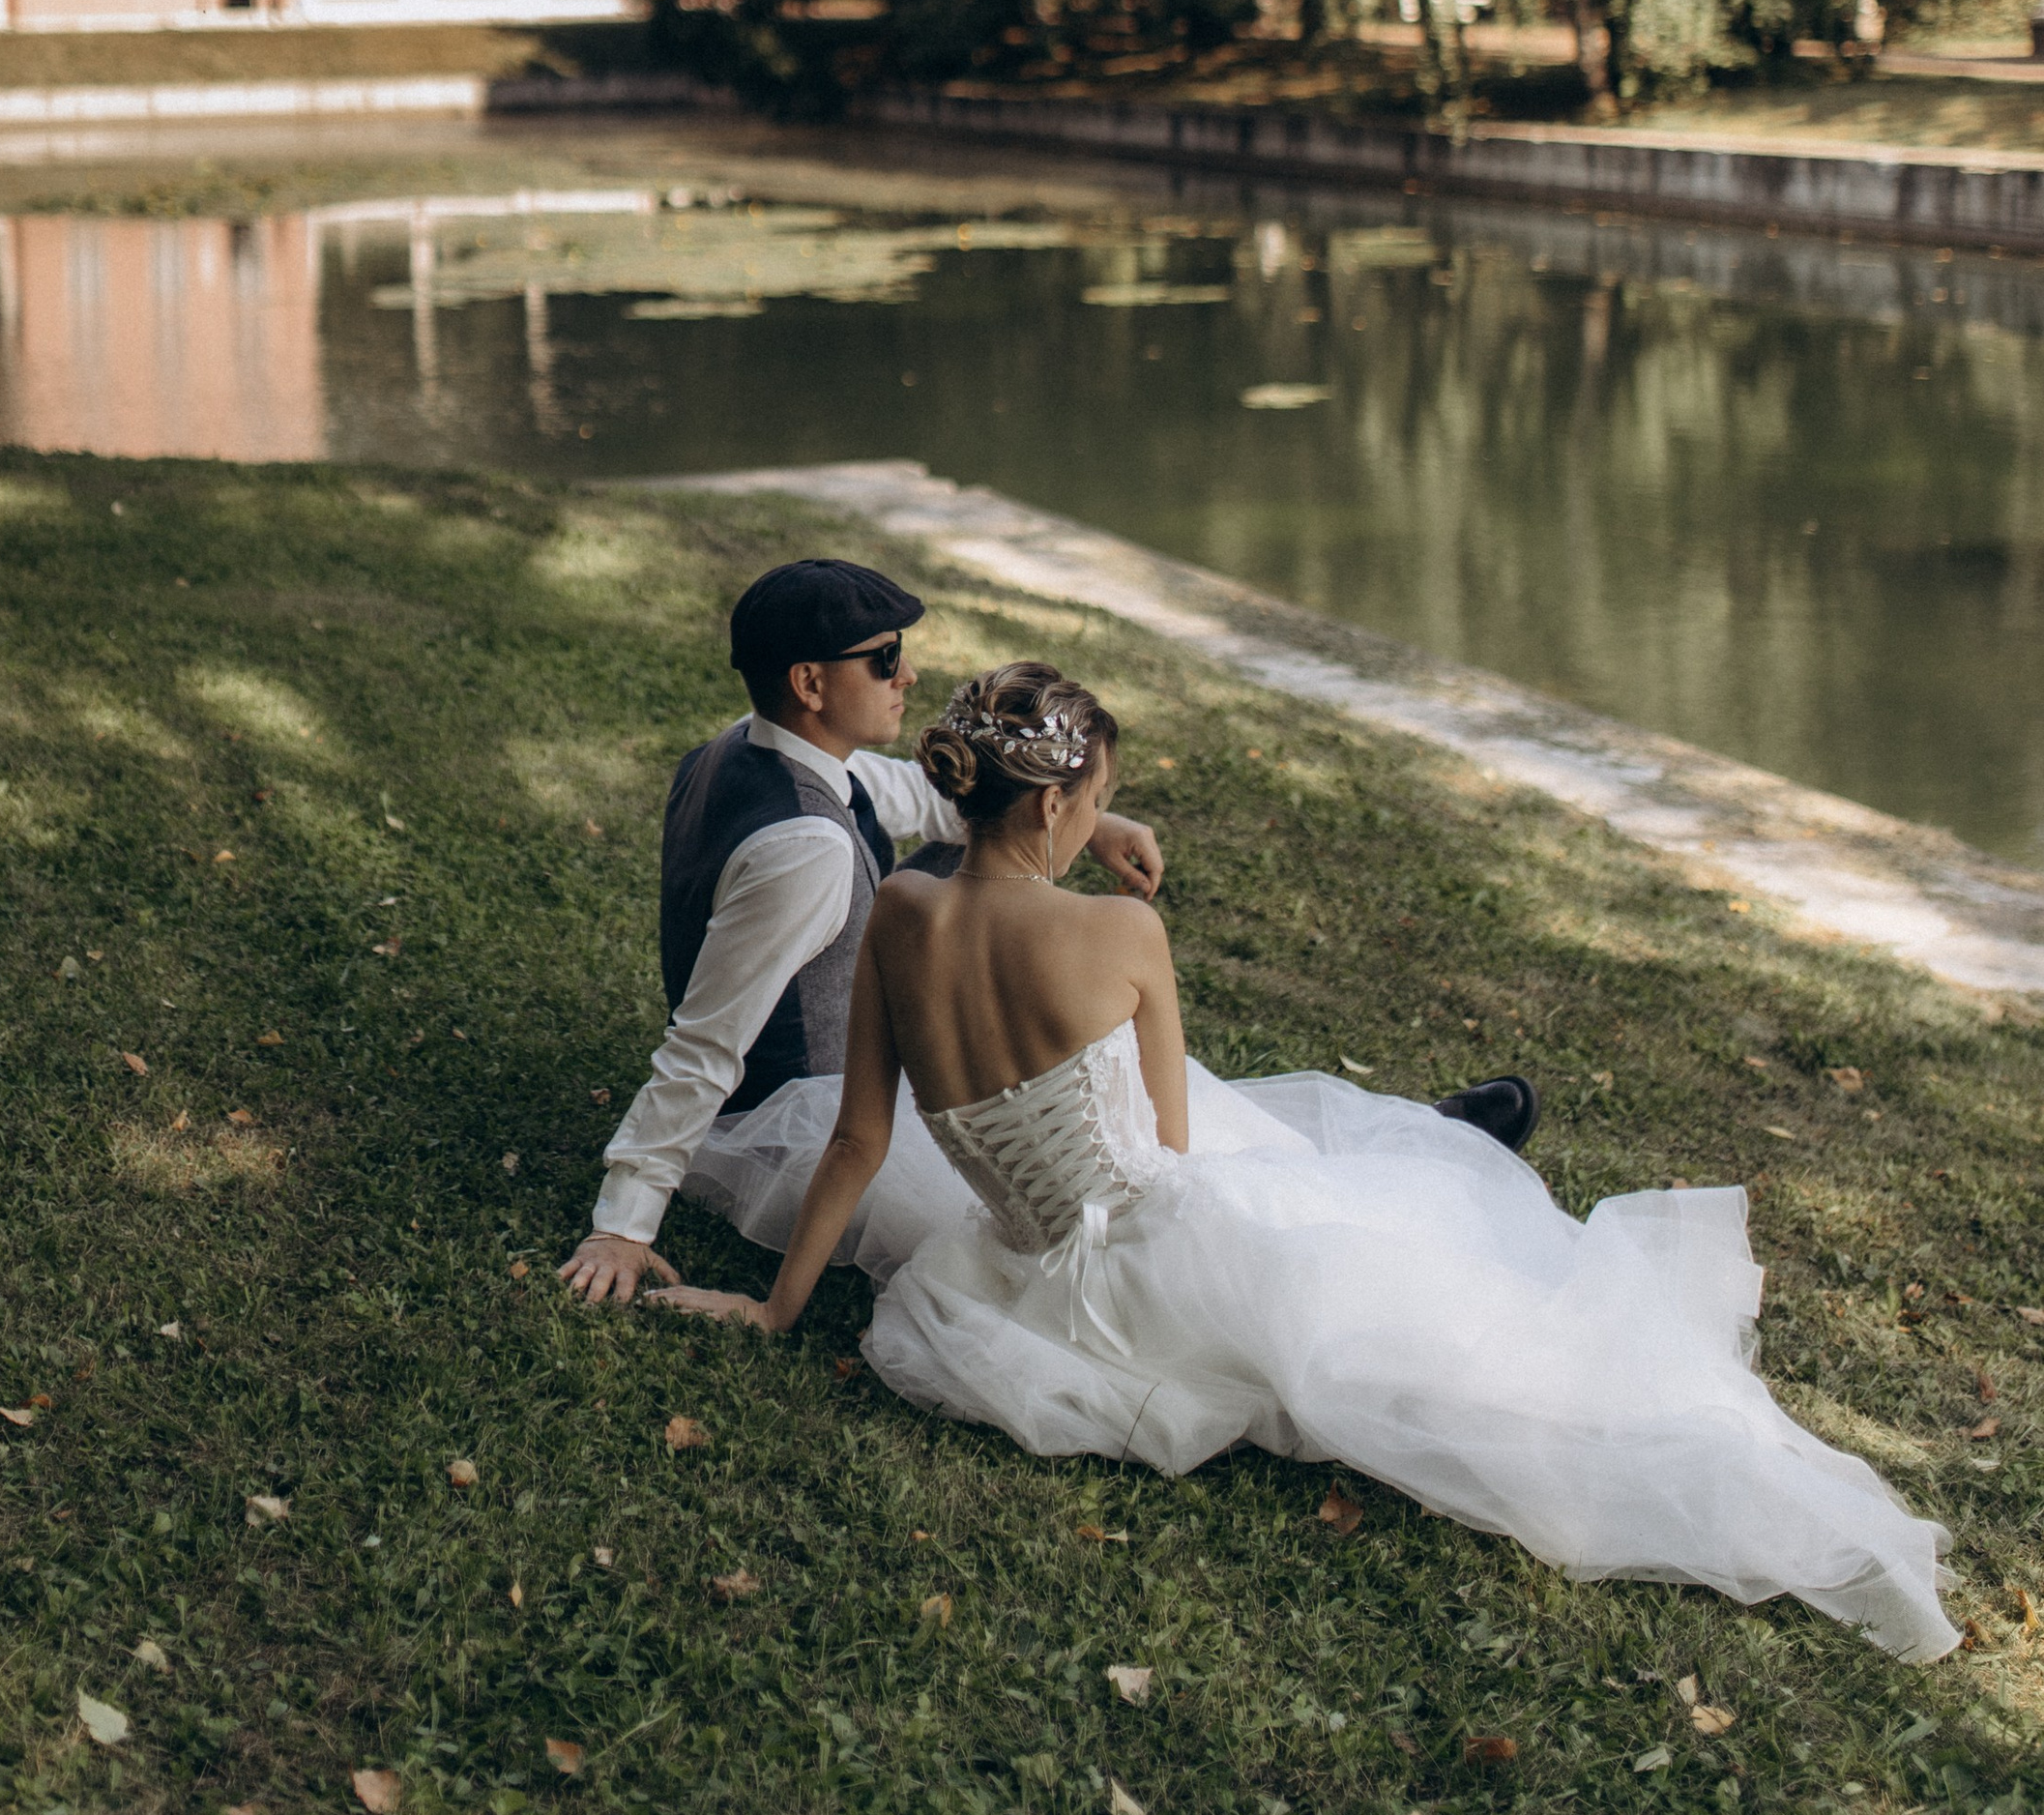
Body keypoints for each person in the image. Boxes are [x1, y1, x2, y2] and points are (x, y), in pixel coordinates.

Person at [649, 659, 1957, 1662]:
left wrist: (774, 1310)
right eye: (1097, 797)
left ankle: (1424, 1140)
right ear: (1054, 798)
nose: (1101, 814)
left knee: (1339, 1163)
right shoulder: (1118, 938)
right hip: (1159, 1250)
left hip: (1016, 1273)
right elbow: (1168, 1142)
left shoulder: (900, 912)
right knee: (1420, 1266)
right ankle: (1436, 1148)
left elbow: (861, 1139)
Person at [558, 556, 1172, 1309]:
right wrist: (624, 1223)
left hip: (819, 1057)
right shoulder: (807, 851)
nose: (907, 675)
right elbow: (704, 1042)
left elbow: (927, 799)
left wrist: (1082, 815)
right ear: (810, 684)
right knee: (988, 880)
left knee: (976, 855)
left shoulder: (741, 749)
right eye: (884, 660)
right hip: (800, 1113)